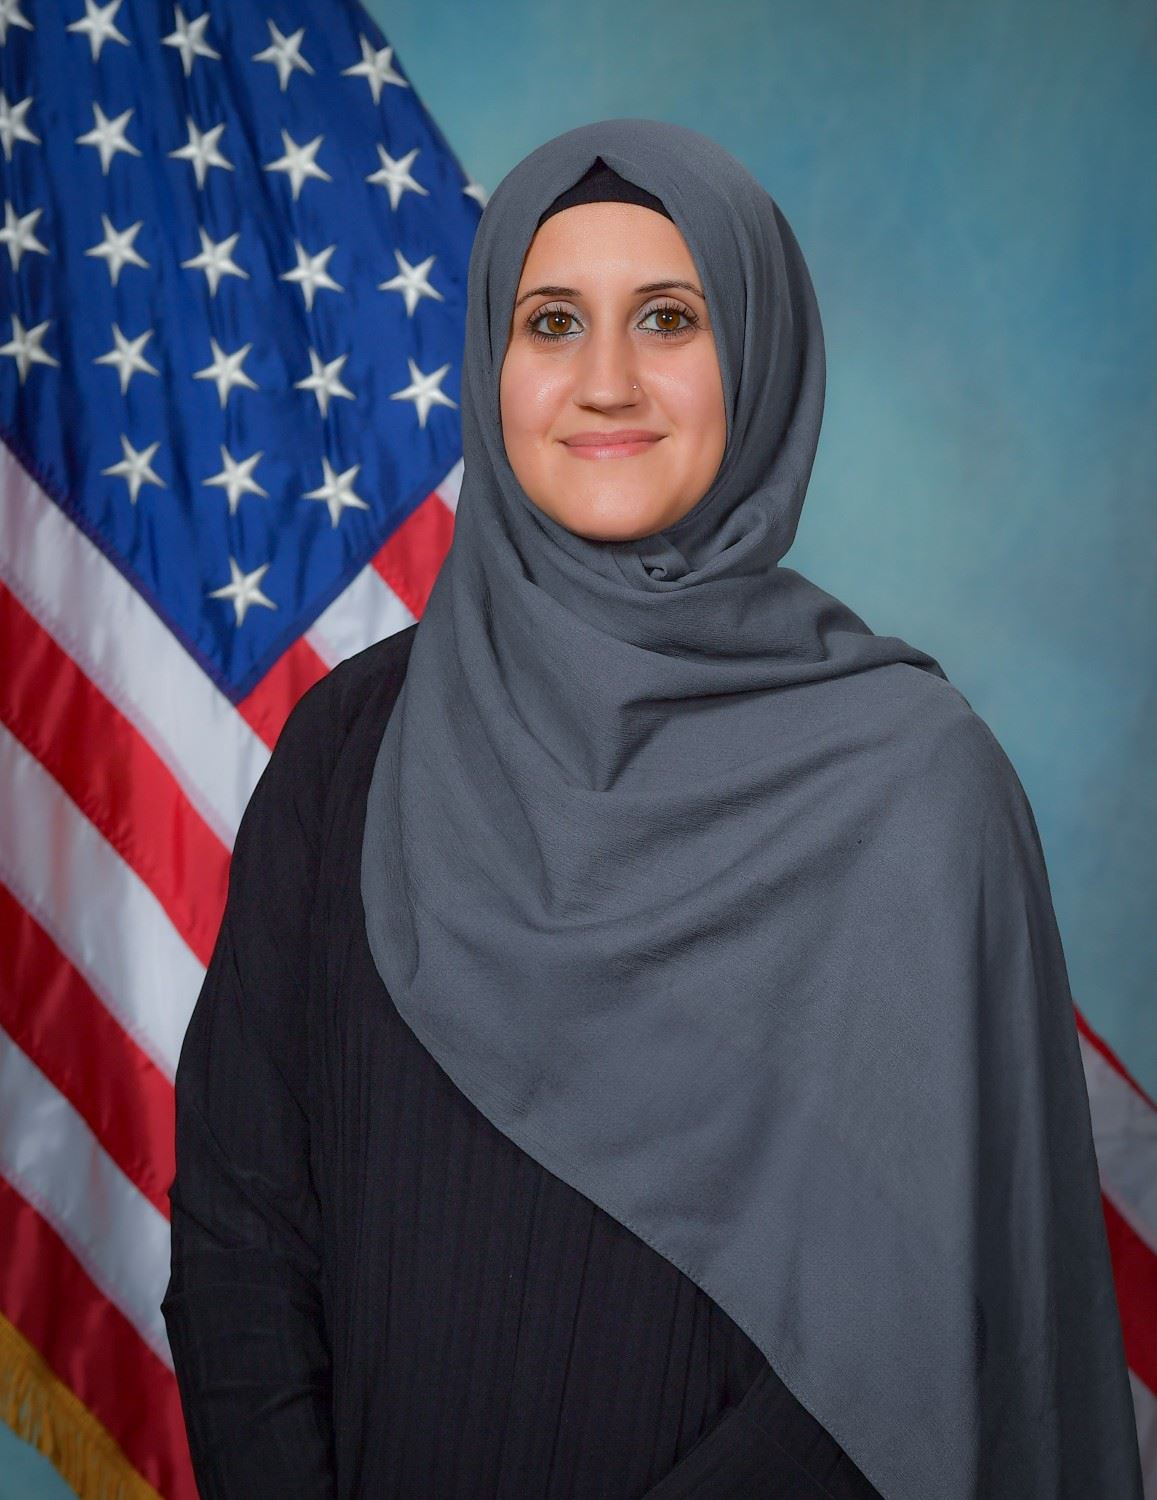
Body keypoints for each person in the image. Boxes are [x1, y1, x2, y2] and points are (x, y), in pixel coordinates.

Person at [162, 121, 1143, 1499]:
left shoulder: (919, 791)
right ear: (489, 369)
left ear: (757, 355)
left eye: (667, 319)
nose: (605, 382)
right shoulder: (347, 751)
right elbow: (241, 1234)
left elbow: (922, 1350)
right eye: (550, 320)